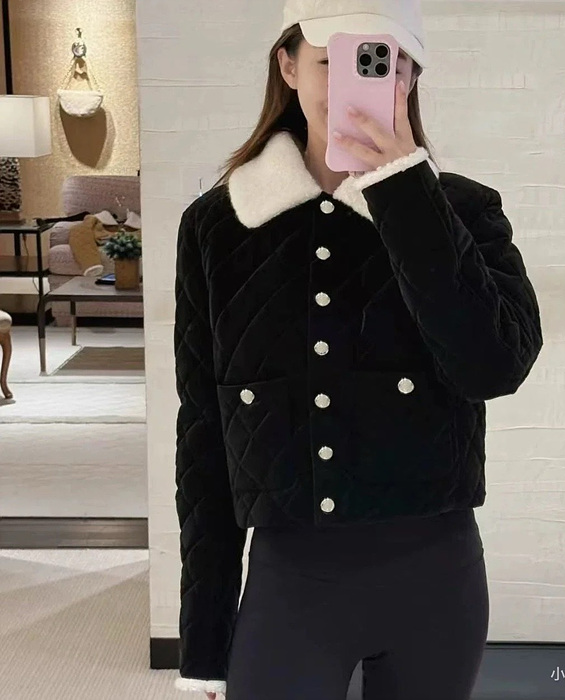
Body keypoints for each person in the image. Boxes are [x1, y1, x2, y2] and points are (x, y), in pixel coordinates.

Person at [173, 1, 544, 698]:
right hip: (291, 586)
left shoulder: (463, 211)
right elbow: (203, 439)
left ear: (411, 79)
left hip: (436, 581)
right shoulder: (218, 227)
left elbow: (493, 365)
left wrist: (404, 190)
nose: (364, 81)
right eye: (332, 61)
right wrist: (204, 643)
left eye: (388, 63)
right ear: (287, 66)